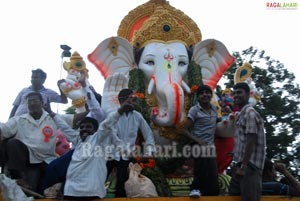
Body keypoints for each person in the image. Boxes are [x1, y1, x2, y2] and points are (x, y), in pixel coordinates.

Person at [45, 92, 135, 200]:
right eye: (82, 127)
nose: (84, 129)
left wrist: (120, 111)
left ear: (95, 130)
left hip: (91, 192)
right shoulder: (78, 140)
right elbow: (64, 127)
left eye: (88, 127)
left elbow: (107, 124)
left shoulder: (98, 139)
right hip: (71, 192)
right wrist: (51, 113)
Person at [0, 92, 76, 193]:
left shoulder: (53, 117)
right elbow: (3, 129)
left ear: (42, 102)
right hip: (27, 158)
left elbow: (74, 118)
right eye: (29, 102)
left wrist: (88, 108)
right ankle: (18, 178)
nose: (32, 103)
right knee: (12, 143)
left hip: (48, 159)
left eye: (35, 100)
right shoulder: (19, 119)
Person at [106, 88, 156, 197]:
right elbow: (114, 138)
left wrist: (149, 152)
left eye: (134, 100)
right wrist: (130, 153)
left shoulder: (137, 116)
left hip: (128, 157)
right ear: (122, 100)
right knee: (101, 178)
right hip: (112, 154)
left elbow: (148, 135)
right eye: (132, 99)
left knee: (121, 184)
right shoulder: (113, 115)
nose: (134, 102)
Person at [228, 82, 266, 201]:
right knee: (233, 196)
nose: (236, 96)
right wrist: (235, 154)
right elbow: (244, 140)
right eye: (234, 93)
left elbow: (251, 140)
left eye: (239, 92)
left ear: (248, 94)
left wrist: (243, 166)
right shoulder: (242, 114)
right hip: (241, 165)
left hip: (250, 167)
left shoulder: (250, 113)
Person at [182, 84, 220, 198]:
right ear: (198, 97)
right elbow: (184, 129)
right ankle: (195, 189)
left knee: (213, 172)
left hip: (210, 146)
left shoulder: (214, 109)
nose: (205, 95)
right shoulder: (195, 110)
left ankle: (212, 193)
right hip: (197, 144)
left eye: (207, 92)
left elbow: (216, 121)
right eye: (202, 93)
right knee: (202, 165)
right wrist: (197, 140)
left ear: (210, 95)